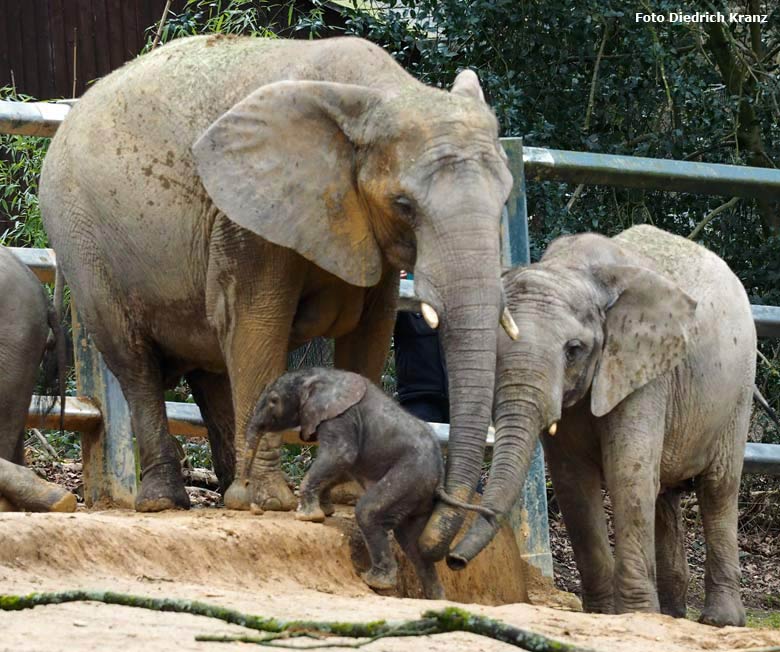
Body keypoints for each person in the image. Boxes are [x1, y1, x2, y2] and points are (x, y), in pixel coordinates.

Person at [393, 271, 449, 424]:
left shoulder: (453, 290)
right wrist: (395, 285)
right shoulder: (404, 287)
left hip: (458, 398)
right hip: (418, 398)